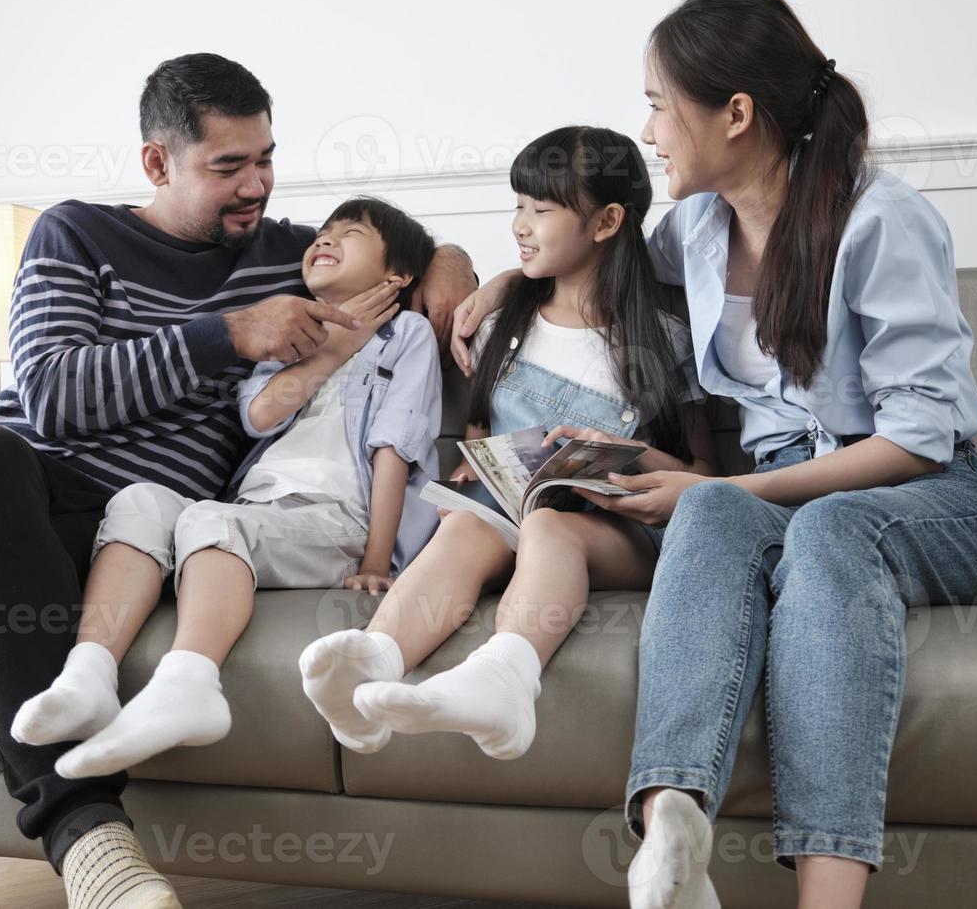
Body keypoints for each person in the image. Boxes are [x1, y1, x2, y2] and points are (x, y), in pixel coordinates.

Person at [0, 54, 476, 909]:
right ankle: (87, 836)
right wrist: (231, 335)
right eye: (228, 168)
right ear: (156, 163)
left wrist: (454, 265)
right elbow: (55, 398)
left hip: (109, 537)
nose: (257, 186)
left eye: (266, 159)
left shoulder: (287, 254)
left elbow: (404, 252)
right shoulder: (74, 234)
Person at [452, 0, 977, 909]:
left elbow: (918, 442)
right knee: (719, 502)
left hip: (938, 502)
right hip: (795, 500)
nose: (647, 132)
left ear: (737, 114)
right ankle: (672, 820)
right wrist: (469, 279)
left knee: (815, 526)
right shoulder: (694, 231)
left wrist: (733, 491)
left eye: (657, 104)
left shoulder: (882, 220)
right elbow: (585, 256)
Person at [298, 126, 714, 762]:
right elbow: (479, 439)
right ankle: (374, 661)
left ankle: (506, 681)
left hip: (621, 533)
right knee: (465, 527)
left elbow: (697, 472)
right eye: (518, 205)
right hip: (510, 514)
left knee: (550, 527)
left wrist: (620, 451)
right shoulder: (501, 322)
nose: (520, 225)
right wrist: (466, 479)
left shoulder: (665, 337)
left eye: (541, 211)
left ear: (606, 222)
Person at [10, 197, 443, 780]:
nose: (324, 239)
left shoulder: (407, 335)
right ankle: (88, 674)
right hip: (261, 511)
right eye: (324, 231)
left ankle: (188, 684)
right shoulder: (293, 332)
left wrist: (376, 559)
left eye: (351, 232)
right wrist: (334, 345)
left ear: (395, 277)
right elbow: (261, 415)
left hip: (340, 517)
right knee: (140, 500)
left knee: (212, 522)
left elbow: (395, 446)